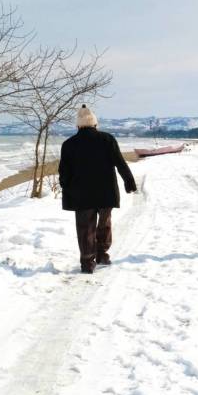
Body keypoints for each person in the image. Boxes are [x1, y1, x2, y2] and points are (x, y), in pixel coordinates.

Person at [59, 105, 137, 274]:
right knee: (104, 223)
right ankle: (102, 254)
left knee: (85, 227)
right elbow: (120, 163)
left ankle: (87, 262)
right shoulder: (107, 139)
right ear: (95, 124)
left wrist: (65, 185)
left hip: (81, 195)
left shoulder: (69, 144)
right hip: (105, 192)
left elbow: (64, 172)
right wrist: (129, 182)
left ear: (78, 125)